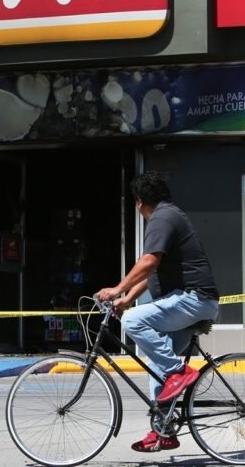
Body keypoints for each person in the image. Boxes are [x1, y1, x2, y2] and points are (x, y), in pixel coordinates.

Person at [96, 171, 219, 453]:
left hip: (193, 299)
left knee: (132, 321)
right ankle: (163, 430)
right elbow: (152, 273)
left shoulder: (162, 218)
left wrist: (117, 289)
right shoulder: (169, 215)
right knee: (156, 364)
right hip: (191, 301)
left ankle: (179, 372)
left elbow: (149, 262)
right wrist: (127, 298)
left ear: (139, 202)